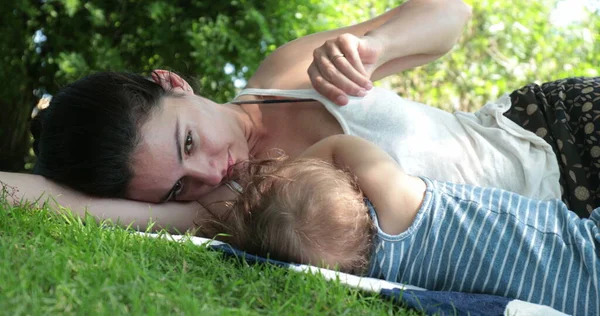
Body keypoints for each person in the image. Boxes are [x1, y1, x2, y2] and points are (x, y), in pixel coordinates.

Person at [0, 0, 597, 233]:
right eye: (179, 184)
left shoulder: (284, 77)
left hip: (553, 134)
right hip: (570, 231)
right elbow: (56, 202)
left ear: (174, 83)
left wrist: (378, 46)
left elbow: (451, 15)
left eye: (187, 142)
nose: (212, 171)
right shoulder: (234, 203)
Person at [223, 134, 599, 316]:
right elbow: (339, 144)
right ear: (355, 189)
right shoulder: (401, 206)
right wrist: (292, 174)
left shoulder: (379, 275)